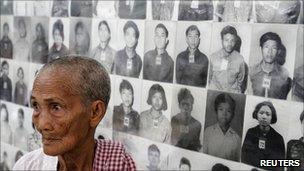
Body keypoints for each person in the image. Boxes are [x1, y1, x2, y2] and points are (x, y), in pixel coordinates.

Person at [13, 56, 136, 170]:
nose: (41, 125)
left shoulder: (119, 164)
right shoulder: (28, 166)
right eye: (36, 106)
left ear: (95, 112)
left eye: (56, 107)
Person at [241, 101, 285, 171]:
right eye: (261, 113)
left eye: (268, 114)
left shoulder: (278, 138)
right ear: (256, 114)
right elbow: (244, 156)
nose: (264, 117)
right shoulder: (251, 132)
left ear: (272, 117)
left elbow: (280, 165)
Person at [250, 32, 291, 99]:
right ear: (261, 49)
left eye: (274, 48)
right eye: (266, 47)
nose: (269, 51)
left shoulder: (284, 75)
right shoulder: (251, 72)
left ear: (278, 51)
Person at [203, 93, 241, 161]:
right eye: (221, 109)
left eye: (228, 111)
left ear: (232, 115)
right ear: (216, 111)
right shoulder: (208, 131)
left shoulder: (237, 138)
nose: (224, 113)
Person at [209, 25, 246, 93]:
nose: (229, 44)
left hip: (232, 92)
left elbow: (240, 80)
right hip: (215, 91)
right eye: (226, 40)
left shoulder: (240, 59)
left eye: (232, 40)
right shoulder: (213, 57)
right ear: (222, 40)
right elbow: (209, 77)